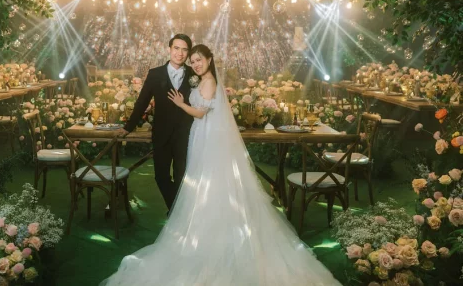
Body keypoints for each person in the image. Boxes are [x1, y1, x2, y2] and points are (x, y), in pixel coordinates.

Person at [103, 44, 341, 286]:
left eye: (198, 59)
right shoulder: (199, 79)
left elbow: (200, 113)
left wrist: (180, 103)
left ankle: (214, 236)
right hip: (200, 136)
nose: (195, 63)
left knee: (210, 182)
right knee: (201, 182)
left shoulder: (208, 81)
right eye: (192, 60)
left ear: (209, 59)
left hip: (207, 136)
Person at [117, 33, 194, 212]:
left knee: (183, 177)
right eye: (176, 48)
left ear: (188, 53)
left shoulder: (193, 74)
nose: (180, 53)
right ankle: (177, 210)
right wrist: (128, 127)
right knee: (161, 176)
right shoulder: (155, 74)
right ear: (169, 49)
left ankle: (177, 215)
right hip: (162, 134)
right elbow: (142, 102)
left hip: (187, 134)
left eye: (184, 50)